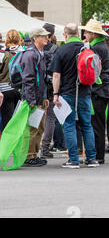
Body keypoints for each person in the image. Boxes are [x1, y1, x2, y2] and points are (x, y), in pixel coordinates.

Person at [51, 23, 99, 168]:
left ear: (65, 35)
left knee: (69, 125)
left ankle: (73, 160)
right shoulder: (86, 49)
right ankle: (91, 159)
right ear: (78, 33)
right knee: (87, 125)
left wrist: (55, 94)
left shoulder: (61, 50)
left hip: (67, 93)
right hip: (85, 92)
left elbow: (56, 75)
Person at [81, 19, 109, 164]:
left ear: (93, 34)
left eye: (87, 32)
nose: (85, 34)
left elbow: (95, 72)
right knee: (98, 124)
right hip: (102, 90)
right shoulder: (100, 45)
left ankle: (98, 156)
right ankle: (98, 155)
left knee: (97, 125)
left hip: (98, 91)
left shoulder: (97, 48)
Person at [21, 28, 50, 167]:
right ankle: (29, 156)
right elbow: (28, 79)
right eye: (43, 36)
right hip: (33, 99)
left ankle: (34, 154)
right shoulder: (31, 55)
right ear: (35, 38)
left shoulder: (39, 53)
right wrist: (32, 100)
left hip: (39, 98)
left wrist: (44, 97)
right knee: (33, 127)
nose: (46, 38)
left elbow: (41, 79)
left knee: (39, 127)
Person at [40, 23, 59, 159]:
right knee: (51, 117)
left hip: (39, 86)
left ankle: (33, 146)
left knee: (36, 115)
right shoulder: (56, 49)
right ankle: (45, 147)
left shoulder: (36, 48)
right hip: (52, 86)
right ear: (52, 35)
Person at [0, 30, 23, 132]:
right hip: (19, 89)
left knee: (7, 119)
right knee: (17, 119)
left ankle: (6, 144)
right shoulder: (23, 52)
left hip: (5, 89)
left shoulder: (3, 53)